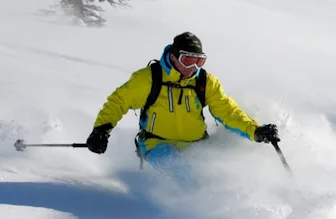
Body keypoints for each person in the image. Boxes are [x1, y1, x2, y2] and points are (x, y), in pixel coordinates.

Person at [86, 31, 279, 167]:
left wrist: (255, 130)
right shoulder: (150, 78)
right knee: (182, 173)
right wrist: (101, 130)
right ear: (173, 57)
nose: (193, 68)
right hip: (157, 145)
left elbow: (227, 111)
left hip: (197, 146)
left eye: (199, 61)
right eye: (188, 60)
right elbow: (118, 101)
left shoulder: (204, 82)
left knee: (217, 174)